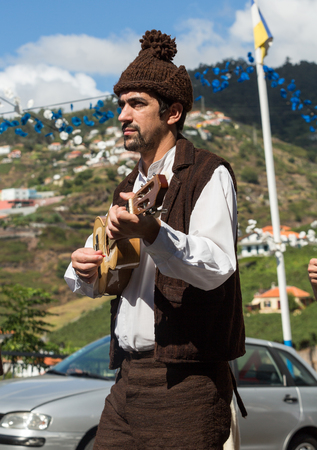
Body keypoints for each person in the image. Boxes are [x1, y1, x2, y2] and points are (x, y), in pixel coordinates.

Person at [65, 29, 246, 450]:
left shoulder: (208, 173)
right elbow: (117, 278)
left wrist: (153, 232)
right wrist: (83, 270)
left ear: (173, 112)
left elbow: (217, 265)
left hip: (186, 383)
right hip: (127, 378)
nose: (122, 116)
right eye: (120, 104)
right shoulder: (128, 185)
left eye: (136, 104)